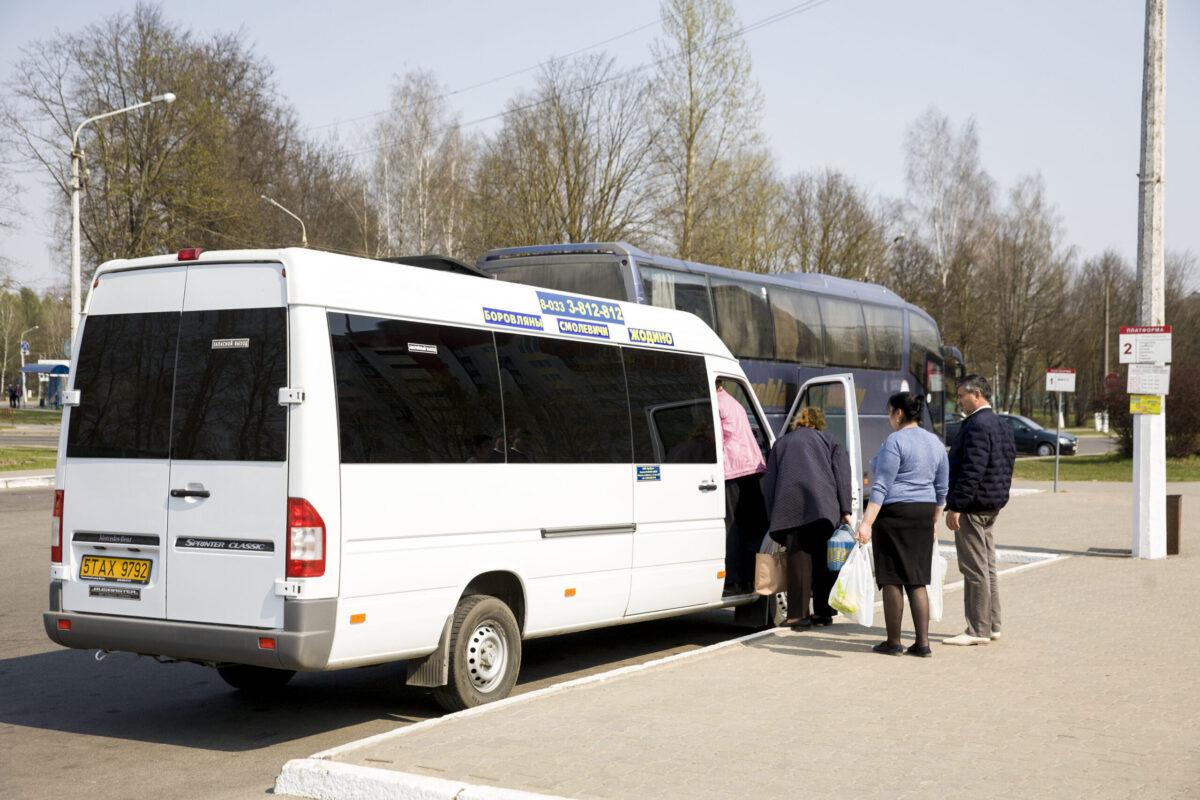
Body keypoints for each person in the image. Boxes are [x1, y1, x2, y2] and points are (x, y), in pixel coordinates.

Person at [855, 392, 948, 657]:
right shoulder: (936, 442)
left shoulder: (894, 441)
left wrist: (866, 523)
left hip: (895, 513)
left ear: (897, 413)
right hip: (923, 512)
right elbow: (942, 488)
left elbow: (881, 485)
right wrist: (934, 520)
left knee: (892, 577)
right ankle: (923, 643)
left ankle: (893, 641)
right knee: (917, 579)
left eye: (889, 413)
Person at [942, 374, 1016, 646]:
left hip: (973, 506)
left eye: (961, 395)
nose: (958, 400)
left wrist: (956, 506)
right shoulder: (1000, 424)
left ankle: (977, 630)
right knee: (988, 567)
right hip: (992, 503)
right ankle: (993, 625)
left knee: (974, 569)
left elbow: (971, 470)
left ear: (976, 395)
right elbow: (1007, 464)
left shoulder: (976, 426)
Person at [763, 406, 852, 628]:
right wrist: (845, 510)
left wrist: (772, 515)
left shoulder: (781, 444)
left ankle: (798, 616)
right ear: (819, 424)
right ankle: (823, 613)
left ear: (797, 423)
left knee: (798, 560)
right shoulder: (830, 441)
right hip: (823, 508)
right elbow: (842, 476)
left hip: (790, 508)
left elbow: (770, 483)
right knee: (824, 560)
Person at [715, 381, 767, 595]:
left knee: (731, 527)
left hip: (733, 470)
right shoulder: (733, 402)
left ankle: (733, 579)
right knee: (748, 527)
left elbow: (716, 440)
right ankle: (750, 577)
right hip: (752, 469)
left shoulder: (716, 403)